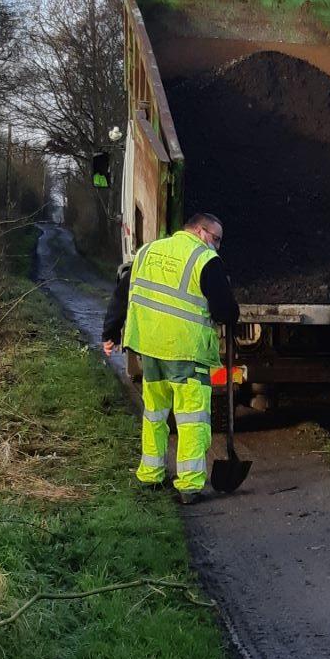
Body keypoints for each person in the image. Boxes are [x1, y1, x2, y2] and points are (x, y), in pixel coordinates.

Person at [101, 211, 239, 504]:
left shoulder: (147, 251)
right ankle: (188, 486)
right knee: (192, 420)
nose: (217, 245)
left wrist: (110, 332)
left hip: (150, 351)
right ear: (200, 232)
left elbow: (122, 293)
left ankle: (151, 476)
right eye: (216, 238)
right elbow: (225, 311)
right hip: (186, 353)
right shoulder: (205, 260)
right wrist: (231, 313)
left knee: (155, 414)